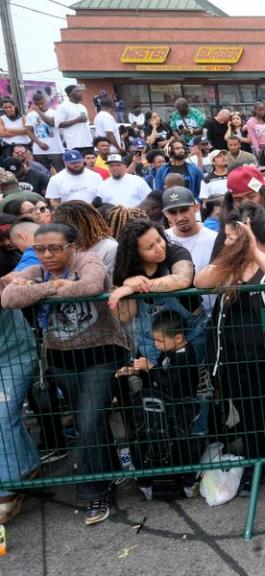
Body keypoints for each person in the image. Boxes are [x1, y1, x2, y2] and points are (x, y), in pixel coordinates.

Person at [1, 223, 126, 525]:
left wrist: (41, 292)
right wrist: (51, 287)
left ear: (72, 246)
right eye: (39, 249)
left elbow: (92, 285)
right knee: (91, 423)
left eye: (55, 248)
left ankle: (93, 492)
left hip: (102, 353)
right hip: (61, 359)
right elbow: (8, 297)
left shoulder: (86, 261)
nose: (47, 255)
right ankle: (109, 471)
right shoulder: (39, 271)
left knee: (88, 420)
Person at [197, 202, 265, 492]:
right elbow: (201, 281)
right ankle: (254, 463)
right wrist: (229, 255)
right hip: (236, 357)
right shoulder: (228, 262)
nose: (227, 240)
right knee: (249, 415)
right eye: (227, 235)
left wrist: (256, 252)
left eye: (234, 235)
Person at [116, 310, 204, 498]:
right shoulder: (169, 352)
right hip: (168, 410)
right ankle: (151, 478)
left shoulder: (185, 356)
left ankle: (186, 480)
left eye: (160, 341)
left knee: (181, 445)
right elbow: (159, 380)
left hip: (182, 410)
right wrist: (136, 370)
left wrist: (152, 368)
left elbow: (171, 383)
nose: (156, 345)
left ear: (178, 338)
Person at [107, 218, 200, 366]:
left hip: (187, 341)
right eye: (150, 247)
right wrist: (123, 288)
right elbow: (125, 315)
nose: (159, 248)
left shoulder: (176, 252)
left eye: (159, 239)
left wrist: (134, 287)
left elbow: (183, 279)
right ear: (135, 254)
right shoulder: (125, 269)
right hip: (150, 346)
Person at [0, 304, 40, 524]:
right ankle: (29, 468)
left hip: (14, 356)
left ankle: (9, 488)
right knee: (6, 419)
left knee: (3, 417)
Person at [51, 200, 118, 276]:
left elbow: (111, 284)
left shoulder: (110, 248)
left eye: (66, 226)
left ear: (84, 223)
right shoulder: (70, 248)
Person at [162, 186, 217, 276]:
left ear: (196, 207)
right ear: (166, 214)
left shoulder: (215, 239)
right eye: (173, 212)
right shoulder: (161, 240)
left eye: (184, 210)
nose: (179, 218)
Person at [26, 90, 64, 170]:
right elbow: (29, 131)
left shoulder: (54, 113)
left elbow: (52, 123)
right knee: (43, 174)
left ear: (46, 100)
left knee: (61, 172)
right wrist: (39, 143)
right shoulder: (30, 115)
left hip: (56, 150)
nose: (40, 106)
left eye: (42, 103)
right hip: (39, 151)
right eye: (37, 104)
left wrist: (38, 111)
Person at [54, 85, 93, 153]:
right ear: (69, 94)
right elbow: (58, 124)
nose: (80, 93)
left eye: (80, 91)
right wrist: (77, 120)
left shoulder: (82, 107)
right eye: (77, 91)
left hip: (88, 143)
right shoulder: (63, 107)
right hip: (74, 145)